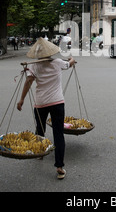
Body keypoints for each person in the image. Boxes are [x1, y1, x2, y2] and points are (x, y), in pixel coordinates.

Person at [17, 38, 76, 180]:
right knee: (58, 134)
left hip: (41, 103)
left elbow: (28, 82)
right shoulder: (57, 63)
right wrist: (71, 59)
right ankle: (59, 166)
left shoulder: (34, 67)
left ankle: (40, 154)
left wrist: (22, 99)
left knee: (40, 130)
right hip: (57, 102)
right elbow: (70, 63)